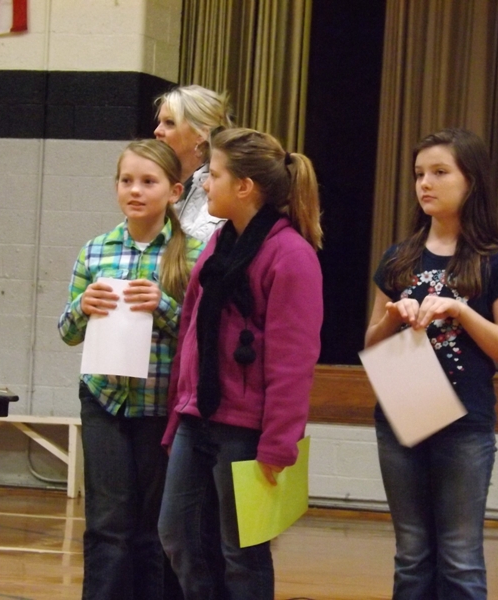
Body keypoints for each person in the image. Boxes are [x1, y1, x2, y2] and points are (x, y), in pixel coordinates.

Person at [158, 128, 324, 599]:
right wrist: (177, 413)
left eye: (214, 174)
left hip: (245, 429)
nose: (205, 183)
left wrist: (278, 443)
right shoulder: (218, 243)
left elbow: (293, 364)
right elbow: (191, 331)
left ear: (245, 186)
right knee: (177, 535)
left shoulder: (291, 255)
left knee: (242, 553)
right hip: (197, 417)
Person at [365, 128, 498, 600]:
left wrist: (460, 310)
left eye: (439, 172)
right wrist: (394, 317)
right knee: (411, 555)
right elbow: (372, 343)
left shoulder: (497, 263)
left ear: (471, 181)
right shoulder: (399, 258)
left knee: (459, 556)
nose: (425, 183)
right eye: (419, 174)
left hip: (464, 425)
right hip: (402, 415)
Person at [58, 139, 204, 600]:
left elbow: (203, 337)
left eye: (148, 181)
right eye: (126, 181)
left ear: (174, 190)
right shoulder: (95, 250)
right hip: (104, 400)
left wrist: (164, 305)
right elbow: (67, 332)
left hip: (162, 405)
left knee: (155, 526)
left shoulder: (195, 253)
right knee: (107, 523)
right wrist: (82, 306)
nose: (135, 190)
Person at [154, 84, 235, 242]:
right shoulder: (154, 183)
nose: (157, 131)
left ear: (201, 134)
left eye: (169, 123)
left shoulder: (222, 191)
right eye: (159, 122)